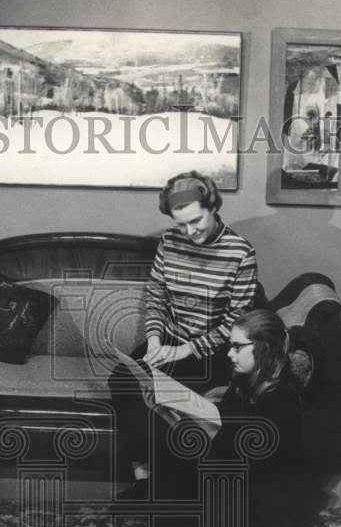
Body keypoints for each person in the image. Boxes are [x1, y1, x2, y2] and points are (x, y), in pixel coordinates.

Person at [108, 170, 258, 489]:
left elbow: (238, 317)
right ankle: (142, 472)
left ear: (213, 207)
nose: (189, 232)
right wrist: (153, 340)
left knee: (172, 399)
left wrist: (186, 350)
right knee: (121, 380)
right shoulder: (169, 241)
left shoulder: (240, 252)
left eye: (196, 221)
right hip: (169, 342)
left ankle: (167, 482)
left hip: (212, 352)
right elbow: (157, 294)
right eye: (180, 224)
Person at [126, 309, 305, 527]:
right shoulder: (244, 381)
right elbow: (220, 427)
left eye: (237, 347)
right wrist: (162, 409)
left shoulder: (282, 399)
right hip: (230, 471)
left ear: (265, 348)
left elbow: (243, 458)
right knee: (173, 457)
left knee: (190, 524)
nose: (230, 354)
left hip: (256, 489)